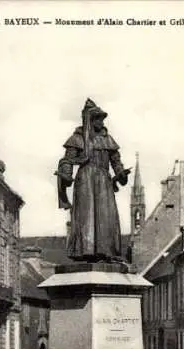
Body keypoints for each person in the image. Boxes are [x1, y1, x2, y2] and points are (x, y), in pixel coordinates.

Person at [57, 99, 130, 262]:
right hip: (85, 179)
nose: (100, 122)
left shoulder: (107, 139)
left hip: (104, 180)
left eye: (102, 118)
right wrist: (66, 174)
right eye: (97, 118)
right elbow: (67, 160)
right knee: (86, 215)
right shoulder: (77, 138)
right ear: (89, 120)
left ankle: (106, 251)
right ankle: (84, 251)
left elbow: (116, 161)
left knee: (105, 215)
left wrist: (121, 173)